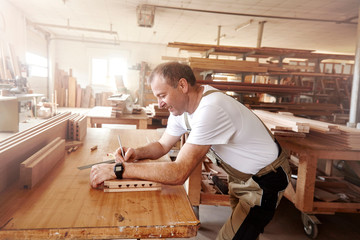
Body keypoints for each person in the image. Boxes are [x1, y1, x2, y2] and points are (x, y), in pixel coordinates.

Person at [90, 61, 291, 240]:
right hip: (240, 176)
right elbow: (162, 146)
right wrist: (137, 152)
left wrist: (119, 170)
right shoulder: (181, 111)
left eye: (162, 95)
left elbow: (178, 173)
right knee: (243, 229)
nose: (160, 103)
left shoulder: (211, 108)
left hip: (265, 180)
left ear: (183, 86)